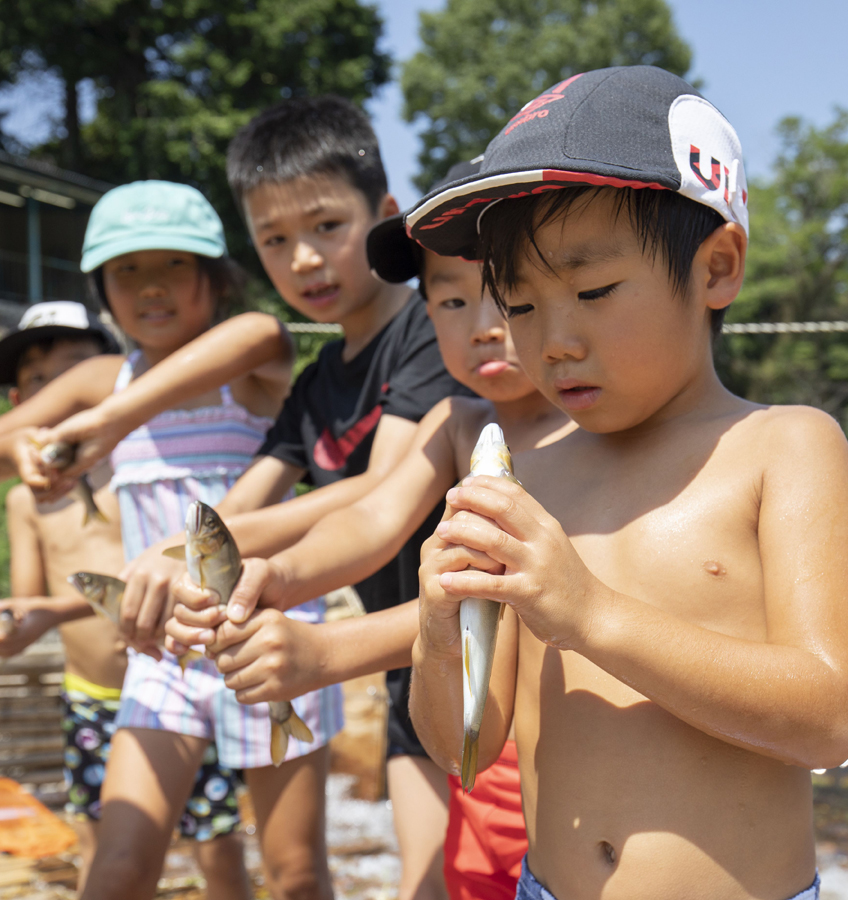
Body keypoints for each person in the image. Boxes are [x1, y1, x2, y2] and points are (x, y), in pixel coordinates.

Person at [406, 66, 848, 900]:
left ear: (717, 268)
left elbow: (830, 718)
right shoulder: (530, 477)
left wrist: (591, 614)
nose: (551, 341)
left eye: (593, 291)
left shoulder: (782, 446)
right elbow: (467, 752)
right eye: (519, 305)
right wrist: (440, 637)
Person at [108, 96, 473, 900]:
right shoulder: (313, 387)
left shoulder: (430, 330)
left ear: (382, 217)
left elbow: (383, 496)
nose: (303, 259)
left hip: (482, 646)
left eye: (325, 228)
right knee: (431, 887)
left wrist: (182, 552)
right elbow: (236, 510)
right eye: (275, 240)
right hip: (407, 673)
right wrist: (187, 559)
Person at [165, 194, 572, 900]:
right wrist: (273, 575)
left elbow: (506, 610)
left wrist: (325, 654)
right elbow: (371, 521)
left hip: (565, 753)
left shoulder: (590, 437)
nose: (483, 328)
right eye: (450, 303)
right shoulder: (456, 420)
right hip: (454, 717)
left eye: (510, 295)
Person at [0, 180, 345, 900]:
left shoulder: (249, 368)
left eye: (172, 266)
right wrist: (30, 450)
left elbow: (261, 334)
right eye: (126, 270)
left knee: (296, 873)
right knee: (120, 867)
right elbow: (9, 439)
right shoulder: (103, 375)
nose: (150, 287)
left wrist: (107, 421)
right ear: (101, 287)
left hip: (269, 631)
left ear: (216, 278)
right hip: (162, 647)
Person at [0, 303, 250, 896]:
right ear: (20, 403)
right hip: (89, 699)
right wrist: (21, 621)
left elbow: (160, 572)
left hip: (173, 685)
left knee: (217, 847)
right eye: (41, 386)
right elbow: (34, 601)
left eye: (76, 377)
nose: (62, 398)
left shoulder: (141, 472)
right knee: (100, 851)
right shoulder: (25, 501)